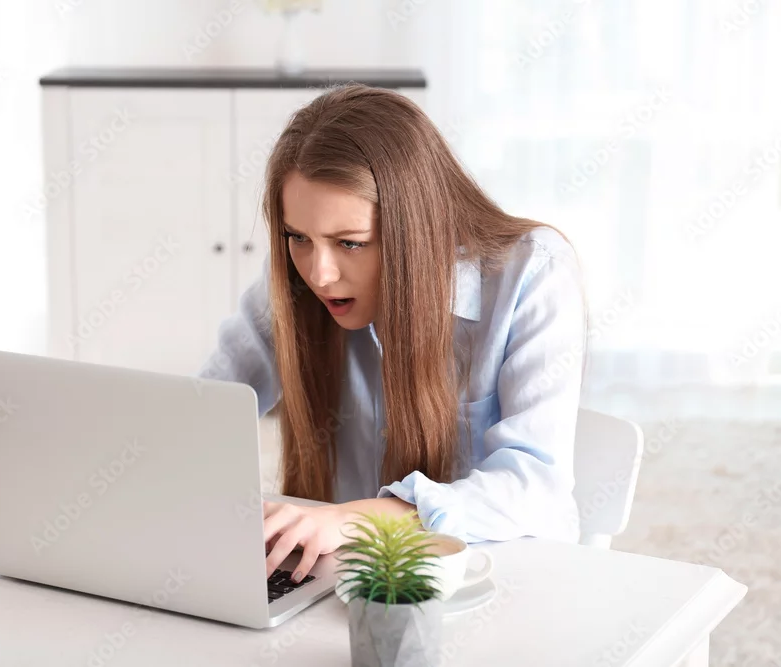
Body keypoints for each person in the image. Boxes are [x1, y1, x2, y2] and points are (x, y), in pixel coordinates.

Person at [199, 83, 587, 585]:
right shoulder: (297, 279)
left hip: (503, 580)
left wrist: (356, 519)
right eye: (298, 237)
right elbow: (205, 411)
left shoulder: (534, 271)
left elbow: (535, 484)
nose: (319, 274)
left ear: (416, 228)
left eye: (350, 243)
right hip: (352, 581)